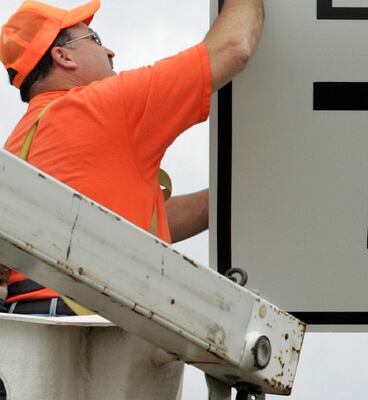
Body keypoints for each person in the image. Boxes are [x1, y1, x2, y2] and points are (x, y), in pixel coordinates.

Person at [0, 0, 264, 316]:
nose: (110, 52)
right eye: (94, 38)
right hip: (86, 322)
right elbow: (234, 47)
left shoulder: (22, 141)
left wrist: (222, 202)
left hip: (31, 325)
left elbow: (127, 230)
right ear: (63, 56)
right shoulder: (100, 106)